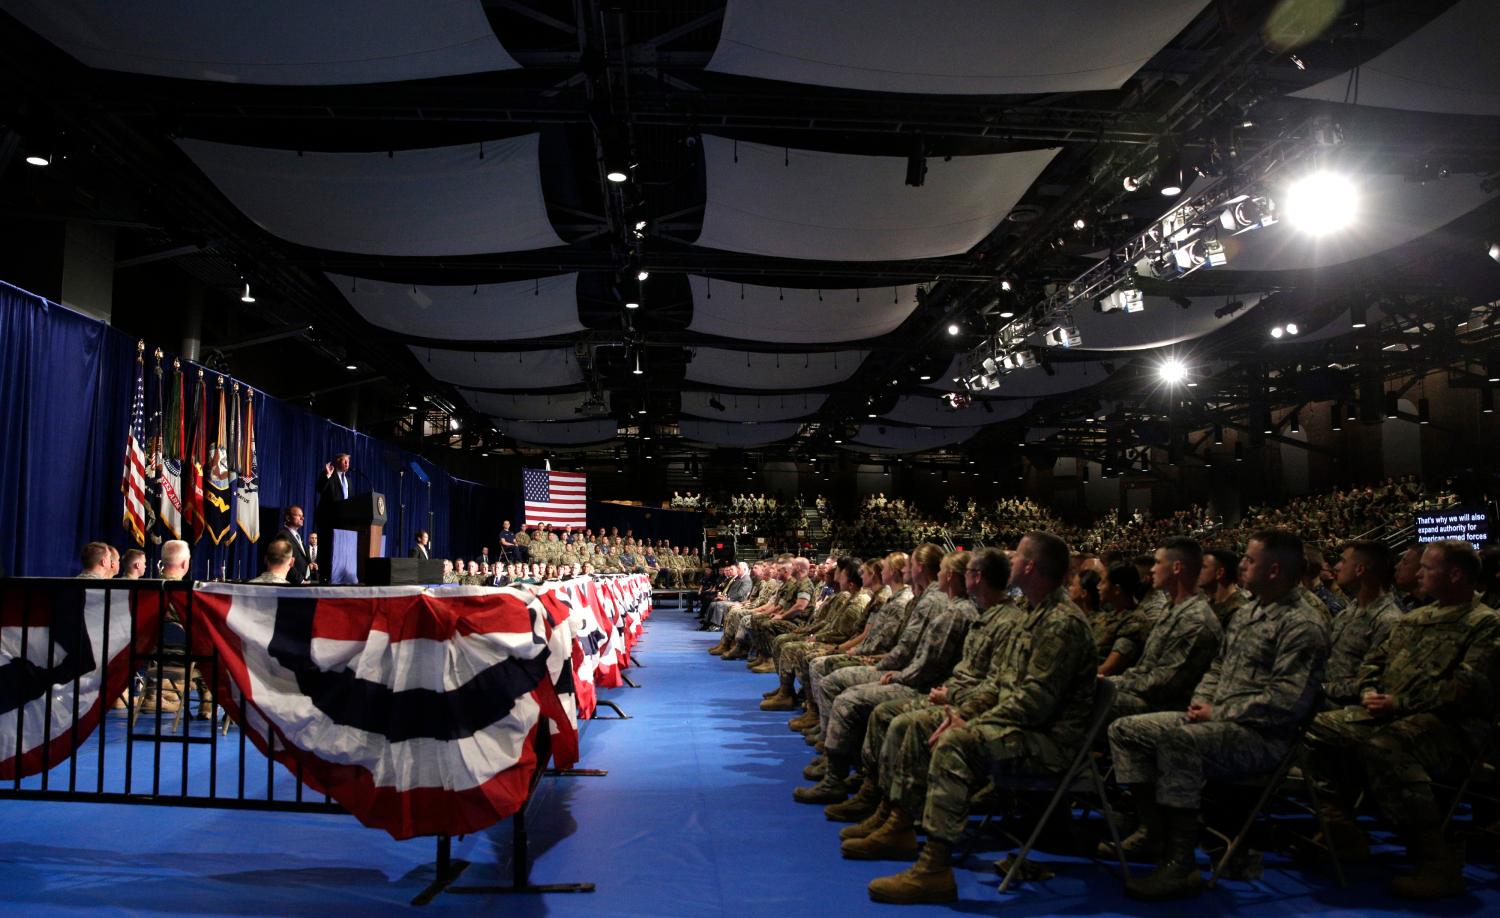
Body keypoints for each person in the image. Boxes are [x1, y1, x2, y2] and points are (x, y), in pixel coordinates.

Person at [865, 532, 1096, 904]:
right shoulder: (1032, 614)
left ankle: (935, 868)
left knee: (956, 743)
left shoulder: (1060, 622)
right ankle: (899, 824)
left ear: (1030, 567)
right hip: (1020, 725)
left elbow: (1034, 702)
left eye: (1017, 557)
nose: (1011, 561)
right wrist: (962, 712)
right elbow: (999, 684)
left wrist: (968, 724)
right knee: (919, 722)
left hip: (1051, 742)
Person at [1107, 529, 1330, 901]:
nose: (1242, 565)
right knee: (1125, 730)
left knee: (1179, 741)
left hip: (1263, 738)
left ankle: (1181, 864)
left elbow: (1286, 703)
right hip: (1220, 723)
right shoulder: (1250, 613)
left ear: (1274, 570)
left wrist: (1218, 712)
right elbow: (1217, 668)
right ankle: (1153, 831)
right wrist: (1201, 704)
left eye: (1250, 560)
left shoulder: (1302, 624)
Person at [1303, 540, 1500, 900]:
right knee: (1313, 727)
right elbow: (1374, 663)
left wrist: (1399, 702)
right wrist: (1369, 692)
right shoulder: (1416, 617)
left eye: (1427, 568)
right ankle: (1341, 828)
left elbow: (1466, 689)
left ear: (1455, 574)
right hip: (1394, 716)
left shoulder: (1485, 623)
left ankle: (1436, 862)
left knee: (1386, 746)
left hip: (1454, 730)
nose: (1418, 573)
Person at [1106, 537, 1222, 721]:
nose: (1152, 569)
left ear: (1176, 568)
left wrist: (1111, 684)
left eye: (1158, 563)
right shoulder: (1172, 607)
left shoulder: (1195, 620)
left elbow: (1163, 685)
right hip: (1143, 694)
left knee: (1085, 697)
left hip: (1165, 707)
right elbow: (1145, 669)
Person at [1322, 540, 1403, 707]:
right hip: (1324, 697)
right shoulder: (1350, 610)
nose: (1337, 567)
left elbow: (1373, 684)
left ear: (1360, 570)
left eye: (1343, 561)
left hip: (1347, 707)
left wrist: (1320, 689)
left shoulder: (1388, 620)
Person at [1200, 548, 1245, 626]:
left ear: (1219, 573)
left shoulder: (1239, 611)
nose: (1197, 571)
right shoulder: (1211, 603)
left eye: (1203, 567)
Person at [275, 505, 314, 584]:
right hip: (293, 584)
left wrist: (310, 563)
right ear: (288, 518)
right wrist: (301, 581)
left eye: (302, 516)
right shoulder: (283, 535)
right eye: (299, 515)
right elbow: (286, 562)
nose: (302, 518)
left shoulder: (297, 536)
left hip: (304, 580)